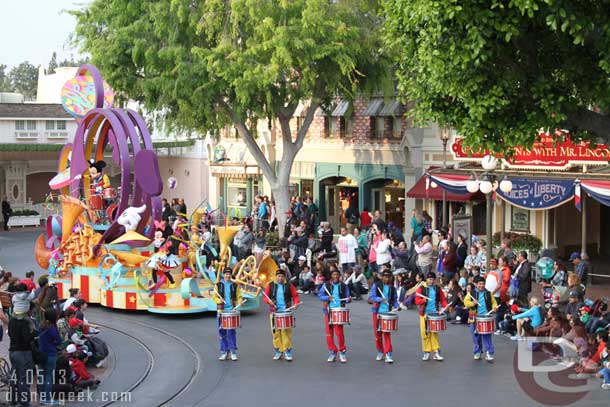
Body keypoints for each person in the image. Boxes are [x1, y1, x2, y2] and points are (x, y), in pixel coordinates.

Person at [263, 269, 300, 361]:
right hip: (274, 313)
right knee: (276, 333)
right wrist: (268, 301)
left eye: (282, 276)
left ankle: (287, 351)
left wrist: (296, 303)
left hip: (286, 312)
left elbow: (295, 296)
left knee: (286, 333)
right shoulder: (270, 285)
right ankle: (278, 351)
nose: (280, 278)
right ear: (276, 276)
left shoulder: (289, 285)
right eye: (279, 276)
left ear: (284, 277)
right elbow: (265, 297)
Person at [318, 269, 350, 363]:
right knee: (329, 333)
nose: (335, 276)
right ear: (331, 276)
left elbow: (347, 297)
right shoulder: (326, 285)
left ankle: (342, 352)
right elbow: (320, 295)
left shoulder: (344, 286)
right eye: (334, 274)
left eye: (337, 274)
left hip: (339, 310)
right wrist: (327, 297)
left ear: (339, 276)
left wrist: (348, 299)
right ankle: (332, 352)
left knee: (339, 333)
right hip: (328, 310)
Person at [415, 272, 448, 361]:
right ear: (426, 279)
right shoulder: (421, 288)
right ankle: (426, 352)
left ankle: (436, 352)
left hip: (434, 314)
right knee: (425, 333)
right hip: (424, 314)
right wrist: (423, 300)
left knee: (434, 333)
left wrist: (445, 306)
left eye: (433, 279)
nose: (431, 281)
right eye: (430, 279)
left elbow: (443, 299)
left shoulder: (437, 289)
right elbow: (416, 300)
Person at [464, 276, 498, 361]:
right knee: (476, 336)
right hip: (474, 318)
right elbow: (465, 302)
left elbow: (494, 302)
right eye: (479, 284)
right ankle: (477, 351)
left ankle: (489, 353)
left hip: (486, 317)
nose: (481, 285)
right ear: (476, 284)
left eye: (483, 284)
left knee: (487, 336)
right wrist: (472, 303)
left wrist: (494, 307)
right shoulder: (471, 293)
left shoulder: (488, 293)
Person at [369, 270, 399, 363]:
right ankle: (380, 351)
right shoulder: (376, 285)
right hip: (377, 312)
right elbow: (371, 298)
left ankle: (388, 353)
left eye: (388, 277)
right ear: (382, 277)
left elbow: (394, 300)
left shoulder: (392, 288)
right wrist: (380, 299)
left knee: (387, 333)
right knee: (378, 335)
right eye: (385, 277)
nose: (386, 279)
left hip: (387, 313)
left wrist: (397, 306)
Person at [213, 269, 243, 361]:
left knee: (231, 332)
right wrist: (219, 300)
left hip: (231, 311)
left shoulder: (235, 285)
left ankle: (233, 351)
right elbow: (214, 296)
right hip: (221, 311)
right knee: (222, 332)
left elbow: (239, 296)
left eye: (229, 274)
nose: (228, 276)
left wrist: (240, 301)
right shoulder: (218, 285)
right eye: (226, 274)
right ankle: (224, 352)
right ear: (223, 275)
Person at [9, 308, 36, 406]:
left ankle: (12, 400)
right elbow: (27, 338)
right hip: (23, 353)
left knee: (14, 377)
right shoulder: (25, 322)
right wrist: (34, 333)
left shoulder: (12, 319)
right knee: (24, 379)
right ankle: (24, 402)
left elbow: (10, 334)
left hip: (12, 351)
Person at [39, 309, 62, 405]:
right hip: (50, 354)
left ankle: (42, 397)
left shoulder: (41, 326)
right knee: (48, 376)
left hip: (41, 354)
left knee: (42, 376)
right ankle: (48, 399)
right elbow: (59, 340)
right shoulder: (52, 328)